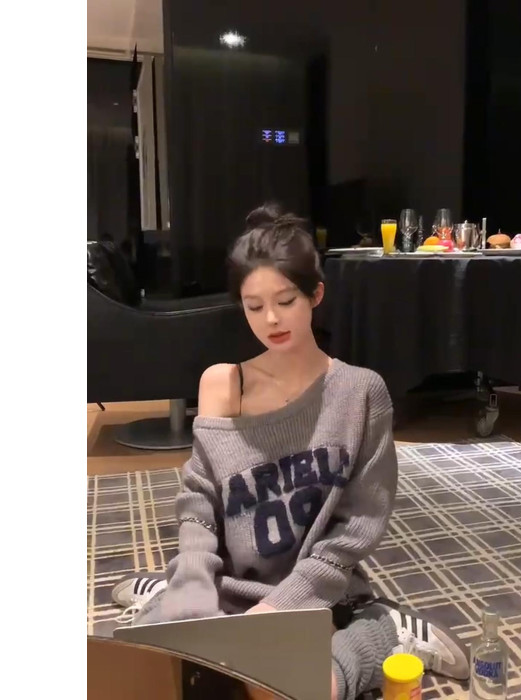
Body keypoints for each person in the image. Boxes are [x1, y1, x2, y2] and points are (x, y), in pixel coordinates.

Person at [111, 204, 470, 699]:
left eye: (286, 300)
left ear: (315, 295)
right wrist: (192, 585)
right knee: (152, 678)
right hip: (229, 589)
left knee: (299, 687)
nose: (271, 319)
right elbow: (199, 505)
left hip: (321, 594)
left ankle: (389, 629)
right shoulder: (223, 384)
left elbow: (356, 527)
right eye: (254, 306)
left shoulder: (360, 393)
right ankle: (169, 589)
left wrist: (281, 608)